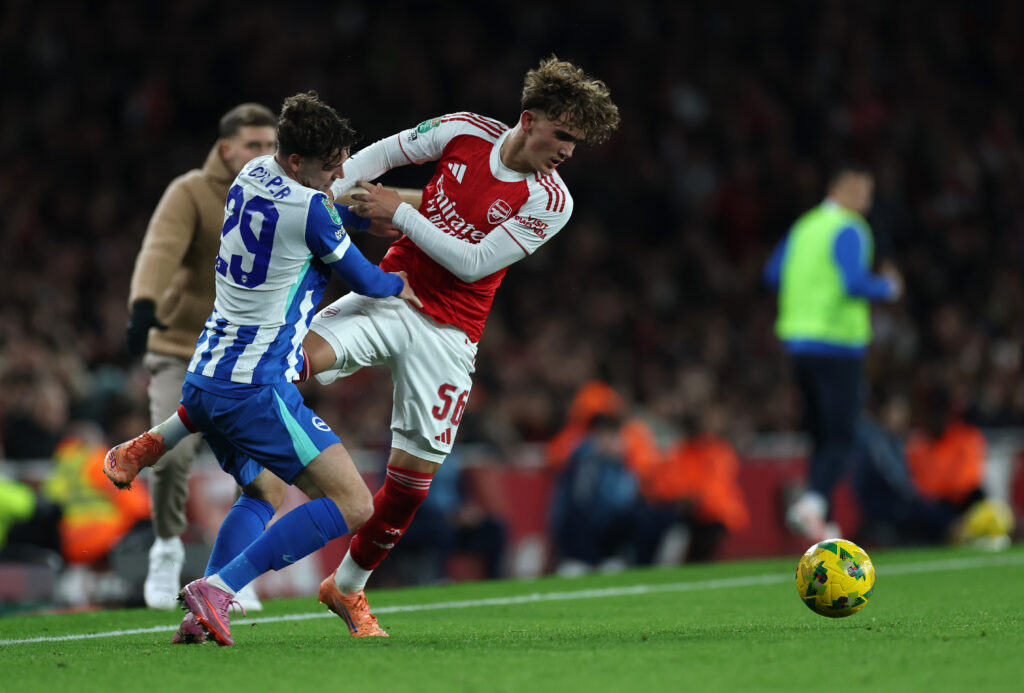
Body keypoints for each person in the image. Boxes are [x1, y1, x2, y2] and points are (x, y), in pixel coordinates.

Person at [298, 56, 620, 635]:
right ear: (529, 119)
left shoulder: (551, 201)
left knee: (410, 486)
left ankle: (346, 587)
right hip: (393, 290)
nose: (569, 151)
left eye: (579, 142)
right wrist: (328, 198)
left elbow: (471, 264)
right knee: (290, 365)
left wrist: (398, 208)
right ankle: (186, 427)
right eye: (564, 134)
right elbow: (381, 156)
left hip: (449, 333)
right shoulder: (465, 129)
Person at [103, 91, 421, 646]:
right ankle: (220, 589)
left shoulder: (250, 172)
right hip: (255, 388)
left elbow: (303, 226)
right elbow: (367, 281)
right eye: (331, 165)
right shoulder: (313, 210)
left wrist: (348, 217)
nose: (341, 173)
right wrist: (404, 287)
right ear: (297, 163)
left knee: (264, 492)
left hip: (205, 374)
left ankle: (197, 599)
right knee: (354, 503)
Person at [125, 102, 278, 611]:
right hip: (178, 349)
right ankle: (167, 547)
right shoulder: (190, 191)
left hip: (244, 355)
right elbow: (161, 249)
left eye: (270, 144)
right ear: (225, 148)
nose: (263, 154)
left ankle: (232, 572)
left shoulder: (285, 193)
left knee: (259, 468)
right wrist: (144, 303)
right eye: (253, 145)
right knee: (169, 450)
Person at [763, 162, 902, 541]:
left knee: (822, 434)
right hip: (837, 344)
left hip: (797, 343)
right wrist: (888, 287)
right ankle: (812, 502)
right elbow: (854, 283)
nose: (866, 202)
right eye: (861, 193)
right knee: (843, 435)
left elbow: (772, 274)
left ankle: (819, 512)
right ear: (839, 191)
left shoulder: (804, 226)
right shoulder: (850, 228)